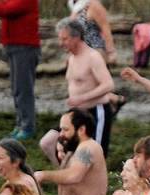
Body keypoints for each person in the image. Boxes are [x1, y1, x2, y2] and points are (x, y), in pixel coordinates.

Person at [35, 108, 116, 195]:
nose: (61, 135)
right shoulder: (75, 151)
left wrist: (43, 175)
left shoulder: (89, 148)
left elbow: (74, 176)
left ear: (81, 129)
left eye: (65, 130)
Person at [41, 18, 116, 160]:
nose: (60, 43)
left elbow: (109, 85)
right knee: (48, 142)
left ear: (76, 37)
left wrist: (83, 97)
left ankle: (94, 181)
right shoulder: (71, 58)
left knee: (95, 155)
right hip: (76, 113)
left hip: (96, 111)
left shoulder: (93, 57)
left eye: (64, 39)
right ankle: (67, 177)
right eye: (60, 39)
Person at [0, 0, 40, 141]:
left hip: (24, 47)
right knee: (17, 88)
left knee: (23, 89)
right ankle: (20, 124)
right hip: (14, 46)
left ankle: (27, 126)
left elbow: (6, 10)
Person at [69, 0, 117, 65]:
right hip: (80, 53)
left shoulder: (94, 4)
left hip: (95, 51)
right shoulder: (75, 7)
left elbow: (105, 28)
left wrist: (111, 52)